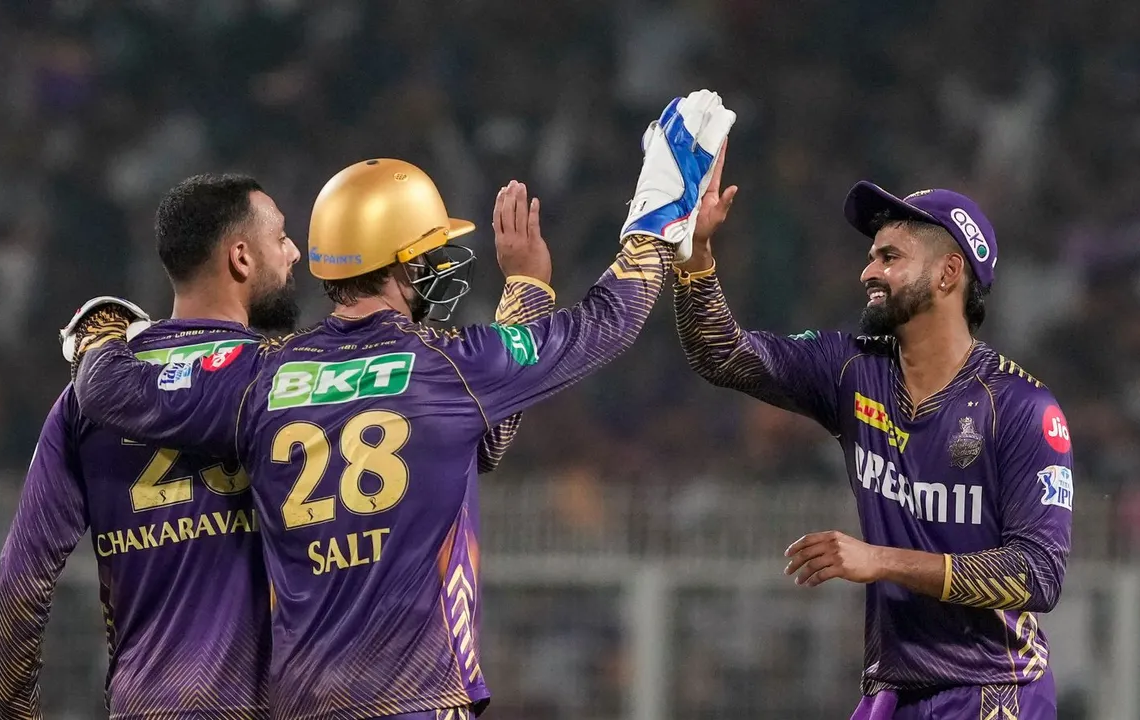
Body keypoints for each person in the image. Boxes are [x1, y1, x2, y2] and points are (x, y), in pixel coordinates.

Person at [57, 90, 736, 719]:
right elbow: (607, 322)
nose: (444, 265)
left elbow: (109, 389)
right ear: (403, 265)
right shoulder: (448, 368)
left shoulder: (261, 379)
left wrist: (101, 331)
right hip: (419, 697)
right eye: (433, 252)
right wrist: (656, 209)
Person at [672, 168, 1072, 719]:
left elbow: (1038, 575)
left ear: (948, 274)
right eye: (871, 256)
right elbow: (721, 354)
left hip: (993, 690)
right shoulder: (853, 370)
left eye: (890, 257)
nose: (868, 272)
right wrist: (696, 256)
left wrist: (879, 559)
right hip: (892, 693)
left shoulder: (1024, 408)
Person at [0, 173, 299, 719]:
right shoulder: (284, 380)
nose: (294, 252)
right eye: (281, 238)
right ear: (241, 258)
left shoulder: (83, 397)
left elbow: (23, 579)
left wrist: (18, 713)